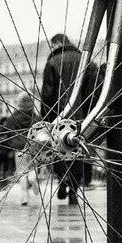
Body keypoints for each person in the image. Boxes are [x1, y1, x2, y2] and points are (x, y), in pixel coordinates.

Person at [41, 33, 96, 204]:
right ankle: (74, 189)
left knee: (60, 150)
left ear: (58, 43)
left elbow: (47, 94)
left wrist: (47, 117)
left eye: (52, 45)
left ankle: (62, 180)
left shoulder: (53, 62)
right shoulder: (86, 61)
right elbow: (93, 90)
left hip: (59, 114)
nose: (52, 49)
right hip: (82, 116)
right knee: (77, 150)